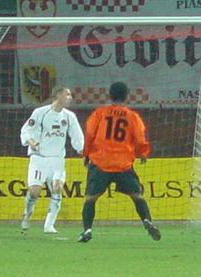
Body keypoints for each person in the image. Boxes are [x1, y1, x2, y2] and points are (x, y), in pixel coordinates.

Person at [78, 81, 161, 243]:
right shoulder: (132, 116)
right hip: (123, 163)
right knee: (136, 195)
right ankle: (147, 220)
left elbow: (89, 134)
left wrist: (86, 154)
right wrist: (143, 153)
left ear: (110, 95)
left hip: (101, 161)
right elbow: (140, 137)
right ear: (126, 96)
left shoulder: (100, 113)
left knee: (90, 198)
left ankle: (87, 230)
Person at [18, 86, 84, 234]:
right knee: (34, 192)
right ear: (58, 95)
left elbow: (77, 136)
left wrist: (82, 150)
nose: (70, 98)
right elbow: (26, 130)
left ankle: (49, 225)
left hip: (57, 159)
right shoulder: (40, 112)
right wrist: (31, 142)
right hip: (39, 158)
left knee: (57, 188)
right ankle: (27, 214)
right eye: (67, 95)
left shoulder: (69, 116)